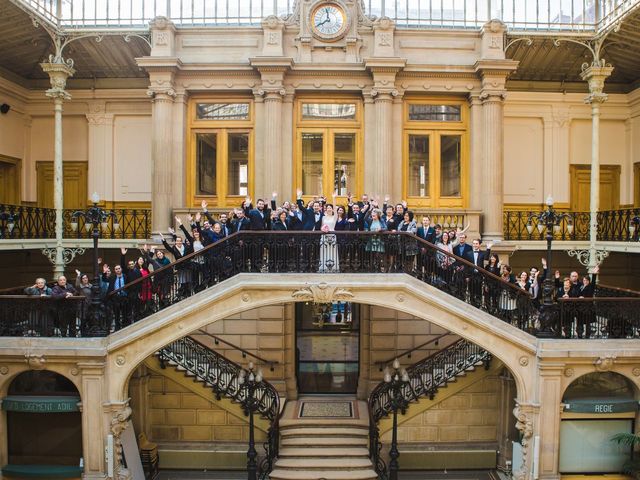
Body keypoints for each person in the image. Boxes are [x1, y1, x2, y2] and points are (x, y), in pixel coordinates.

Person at [319, 195, 339, 273]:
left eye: (330, 208)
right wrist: (323, 229)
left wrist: (334, 198)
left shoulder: (334, 217)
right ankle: (323, 267)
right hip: (324, 236)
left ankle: (333, 268)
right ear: (326, 210)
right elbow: (321, 226)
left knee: (332, 251)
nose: (329, 209)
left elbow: (335, 208)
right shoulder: (323, 217)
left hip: (332, 236)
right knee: (324, 251)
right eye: (327, 208)